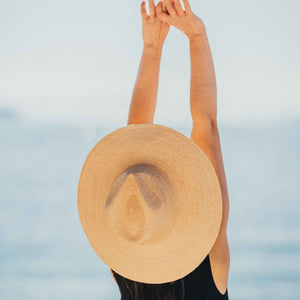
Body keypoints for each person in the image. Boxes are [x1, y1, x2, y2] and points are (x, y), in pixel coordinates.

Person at [109, 0, 230, 298]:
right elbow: (206, 125)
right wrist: (196, 36)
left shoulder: (124, 268)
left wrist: (152, 49)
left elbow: (135, 143)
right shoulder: (209, 254)